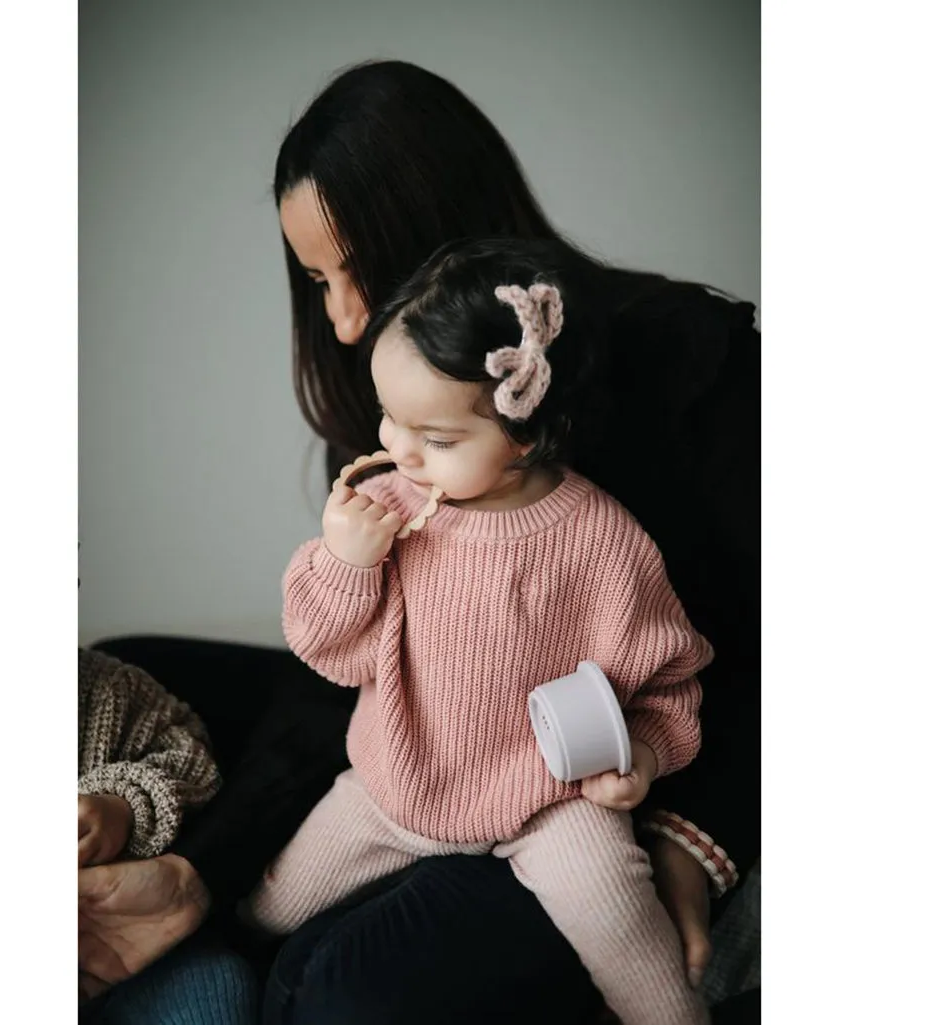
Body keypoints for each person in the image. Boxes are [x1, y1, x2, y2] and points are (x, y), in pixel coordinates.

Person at [79, 60, 759, 1024]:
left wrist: (692, 832)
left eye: (367, 269)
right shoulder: (398, 436)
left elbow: (696, 664)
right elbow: (343, 662)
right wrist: (201, 869)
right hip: (414, 756)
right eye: (318, 281)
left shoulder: (690, 373)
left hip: (567, 788)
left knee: (338, 982)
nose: (347, 321)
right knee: (139, 665)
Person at [246, 237, 717, 1025]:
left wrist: (642, 753)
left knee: (627, 929)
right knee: (266, 909)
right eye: (389, 417)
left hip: (548, 803)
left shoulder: (601, 538)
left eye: (434, 438)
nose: (397, 447)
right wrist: (344, 561)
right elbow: (325, 646)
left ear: (527, 435)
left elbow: (668, 679)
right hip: (390, 786)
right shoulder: (389, 511)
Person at [78, 648, 257, 1024]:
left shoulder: (113, 688)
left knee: (218, 985)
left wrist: (123, 805)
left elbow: (193, 760)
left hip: (131, 928)